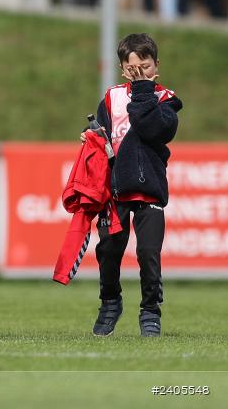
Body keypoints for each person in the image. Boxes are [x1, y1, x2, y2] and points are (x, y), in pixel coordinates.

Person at [85, 33, 182, 338]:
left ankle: (150, 310)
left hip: (150, 189)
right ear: (122, 69)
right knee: (109, 250)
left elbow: (153, 129)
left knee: (148, 253)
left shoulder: (166, 100)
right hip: (116, 190)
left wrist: (142, 90)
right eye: (132, 68)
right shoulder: (112, 98)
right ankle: (110, 302)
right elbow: (103, 135)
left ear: (157, 65)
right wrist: (92, 136)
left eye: (146, 66)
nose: (140, 72)